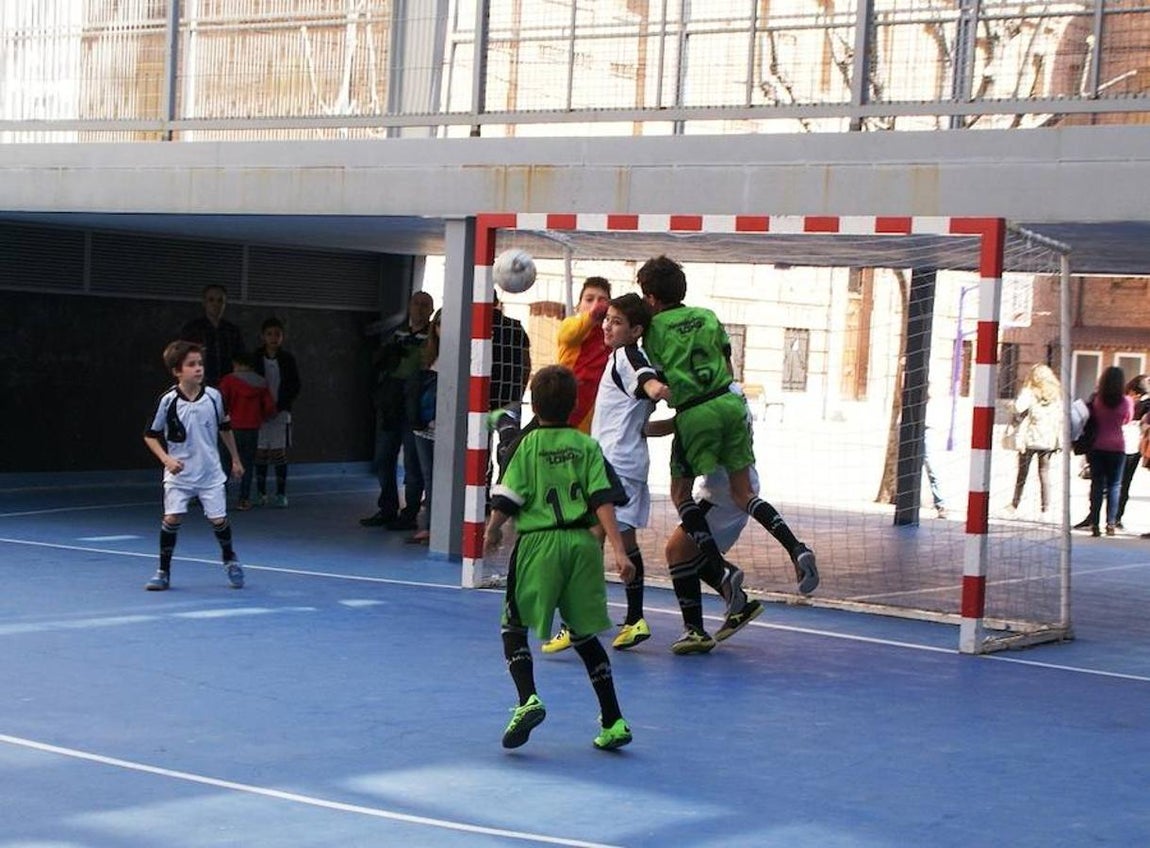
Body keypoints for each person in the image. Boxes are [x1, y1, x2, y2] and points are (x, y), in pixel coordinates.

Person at [637, 255, 818, 596]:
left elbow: (659, 381)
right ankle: (796, 548)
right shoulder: (708, 316)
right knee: (744, 492)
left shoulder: (654, 331)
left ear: (650, 299)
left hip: (696, 413)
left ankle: (719, 570)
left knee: (679, 495)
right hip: (731, 402)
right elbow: (727, 363)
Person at [484, 365, 634, 751]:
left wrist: (493, 528)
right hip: (583, 546)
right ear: (576, 405)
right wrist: (618, 549)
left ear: (534, 404)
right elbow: (603, 498)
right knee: (584, 634)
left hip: (539, 544)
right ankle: (614, 720)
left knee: (512, 626)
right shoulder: (587, 446)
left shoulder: (528, 446)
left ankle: (527, 699)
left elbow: (507, 497)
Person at [542, 293, 670, 654]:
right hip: (627, 462)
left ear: (636, 330)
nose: (607, 326)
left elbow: (646, 381)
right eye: (607, 319)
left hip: (613, 466)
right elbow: (644, 416)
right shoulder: (633, 357)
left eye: (616, 321)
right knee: (621, 543)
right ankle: (633, 620)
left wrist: (658, 389)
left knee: (585, 543)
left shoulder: (628, 356)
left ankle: (576, 623)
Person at [142, 340, 245, 592]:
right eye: (191, 365)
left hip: (209, 473)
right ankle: (163, 572)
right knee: (171, 517)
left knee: (218, 519)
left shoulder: (214, 397)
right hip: (179, 474)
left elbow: (225, 428)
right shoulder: (167, 401)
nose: (198, 369)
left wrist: (235, 458)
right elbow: (149, 435)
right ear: (177, 371)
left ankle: (229, 559)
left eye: (200, 363)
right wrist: (166, 459)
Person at [663, 464, 766, 654]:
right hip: (729, 489)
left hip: (722, 495)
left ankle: (695, 631)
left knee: (676, 551)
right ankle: (739, 602)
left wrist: (643, 432)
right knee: (689, 552)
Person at [360, 292, 432, 530]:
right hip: (391, 405)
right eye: (416, 304)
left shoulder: (434, 338)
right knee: (383, 459)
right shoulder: (396, 334)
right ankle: (387, 507)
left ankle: (409, 513)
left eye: (425, 306)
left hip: (414, 409)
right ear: (409, 307)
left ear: (431, 310)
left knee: (412, 464)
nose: (420, 309)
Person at [1073, 366, 1133, 537]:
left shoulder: (1096, 400)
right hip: (1117, 447)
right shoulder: (1126, 401)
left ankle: (1095, 524)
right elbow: (1127, 420)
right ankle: (1111, 523)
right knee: (1115, 486)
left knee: (1097, 485)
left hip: (1096, 446)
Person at [252, 317, 301, 508]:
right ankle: (261, 492)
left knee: (278, 452)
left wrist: (279, 406)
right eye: (270, 334)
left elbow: (294, 385)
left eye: (277, 334)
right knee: (261, 452)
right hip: (260, 413)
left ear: (282, 337)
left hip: (280, 412)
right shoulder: (255, 357)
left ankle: (281, 494)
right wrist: (260, 407)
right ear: (263, 336)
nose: (274, 338)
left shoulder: (288, 359)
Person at [218, 351, 276, 511]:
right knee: (248, 464)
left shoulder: (228, 380)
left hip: (230, 429)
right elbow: (270, 407)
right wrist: (260, 417)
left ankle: (219, 499)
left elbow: (220, 404)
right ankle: (244, 499)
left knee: (224, 464)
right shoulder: (261, 383)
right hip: (252, 429)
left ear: (236, 364)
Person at [556, 277, 612, 433]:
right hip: (566, 403)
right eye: (589, 299)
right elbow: (569, 335)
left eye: (602, 300)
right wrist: (592, 316)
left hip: (596, 406)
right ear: (578, 306)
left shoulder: (609, 332)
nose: (595, 305)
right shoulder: (570, 324)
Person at [406, 310, 441, 545]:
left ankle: (443, 526)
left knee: (444, 478)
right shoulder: (427, 356)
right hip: (423, 426)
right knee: (428, 476)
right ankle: (428, 525)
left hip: (447, 428)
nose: (444, 329)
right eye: (440, 324)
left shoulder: (465, 357)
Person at [1009, 364, 1063, 514]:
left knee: (1022, 472)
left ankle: (1015, 503)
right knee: (1044, 472)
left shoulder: (1030, 392)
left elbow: (1018, 407)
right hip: (1047, 440)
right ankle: (1045, 506)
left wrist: (1010, 406)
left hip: (1029, 438)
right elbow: (1059, 417)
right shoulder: (1055, 394)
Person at [488, 299, 532, 478]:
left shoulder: (472, 325)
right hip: (508, 396)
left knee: (479, 449)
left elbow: (526, 363)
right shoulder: (514, 327)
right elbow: (526, 363)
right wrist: (518, 392)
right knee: (508, 448)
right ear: (497, 302)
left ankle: (485, 492)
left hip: (481, 396)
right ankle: (504, 490)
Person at [180, 284, 246, 388]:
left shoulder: (232, 331)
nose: (216, 304)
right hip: (200, 386)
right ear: (204, 302)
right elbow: (183, 359)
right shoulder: (192, 329)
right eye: (211, 300)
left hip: (228, 387)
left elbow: (241, 360)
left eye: (220, 300)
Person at [1114, 375, 1150, 530]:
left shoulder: (1145, 404)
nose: (1139, 398)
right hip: (1125, 445)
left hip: (1131, 446)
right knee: (1119, 483)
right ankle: (1113, 518)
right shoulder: (1122, 401)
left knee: (1122, 483)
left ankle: (1115, 517)